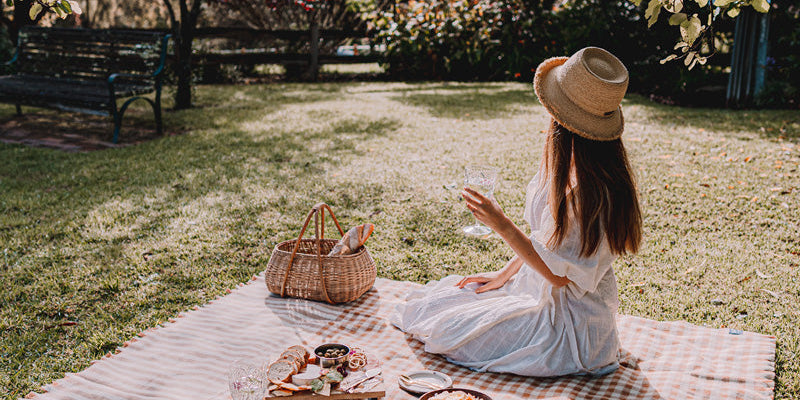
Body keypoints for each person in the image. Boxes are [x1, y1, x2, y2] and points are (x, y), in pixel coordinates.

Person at [391, 47, 643, 377]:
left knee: (447, 329)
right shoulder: (584, 168)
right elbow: (548, 246)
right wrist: (502, 277)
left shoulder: (591, 194)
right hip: (546, 295)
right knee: (444, 300)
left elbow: (557, 275)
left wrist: (502, 224)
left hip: (570, 330)